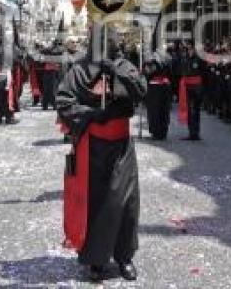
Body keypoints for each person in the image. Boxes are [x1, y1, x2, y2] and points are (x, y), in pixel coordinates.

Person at [56, 31, 146, 282]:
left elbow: (140, 90)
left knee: (125, 203)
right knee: (97, 203)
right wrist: (93, 114)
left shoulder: (124, 65)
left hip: (122, 147)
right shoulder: (79, 70)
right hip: (93, 146)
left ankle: (124, 256)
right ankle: (96, 258)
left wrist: (117, 71)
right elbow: (64, 102)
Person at [178, 44, 205, 141]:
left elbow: (203, 73)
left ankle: (195, 132)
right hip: (187, 87)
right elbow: (182, 70)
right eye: (188, 49)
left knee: (195, 110)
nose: (189, 51)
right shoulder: (185, 59)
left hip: (196, 87)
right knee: (189, 110)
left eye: (191, 49)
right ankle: (191, 132)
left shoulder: (198, 59)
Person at [142, 52, 172, 140]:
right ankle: (163, 131)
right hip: (165, 86)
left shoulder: (150, 61)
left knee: (154, 111)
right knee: (164, 110)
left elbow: (147, 73)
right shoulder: (167, 59)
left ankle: (157, 132)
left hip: (154, 87)